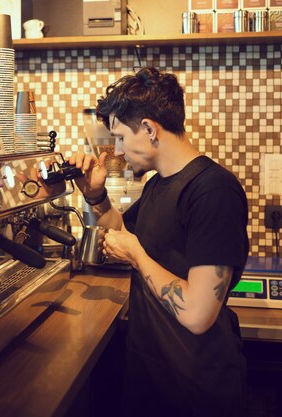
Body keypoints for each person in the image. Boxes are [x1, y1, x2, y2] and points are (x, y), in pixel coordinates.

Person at [69, 67, 249, 417]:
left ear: (150, 129)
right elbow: (124, 235)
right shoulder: (159, 184)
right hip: (153, 374)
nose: (117, 151)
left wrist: (137, 255)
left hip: (195, 389)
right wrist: (95, 196)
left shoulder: (213, 191)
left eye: (120, 137)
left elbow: (198, 314)